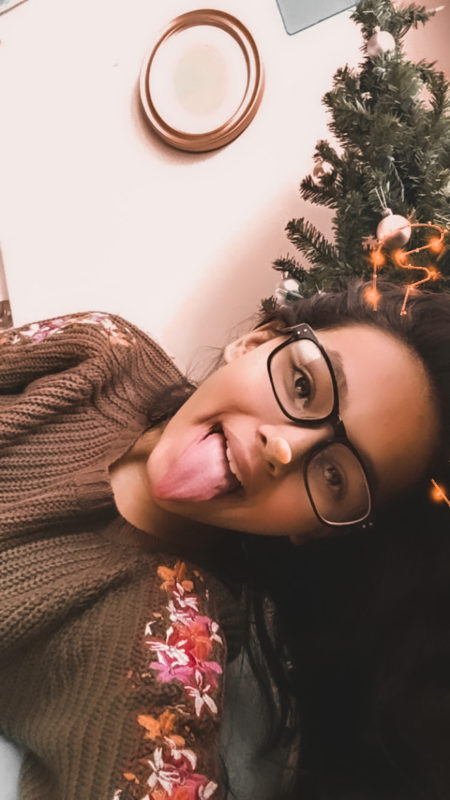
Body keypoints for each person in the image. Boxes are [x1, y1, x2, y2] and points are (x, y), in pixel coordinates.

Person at [0, 278, 448, 800]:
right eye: (303, 385)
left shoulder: (171, 643)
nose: (284, 447)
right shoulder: (99, 349)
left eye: (334, 476)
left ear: (313, 530)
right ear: (255, 342)